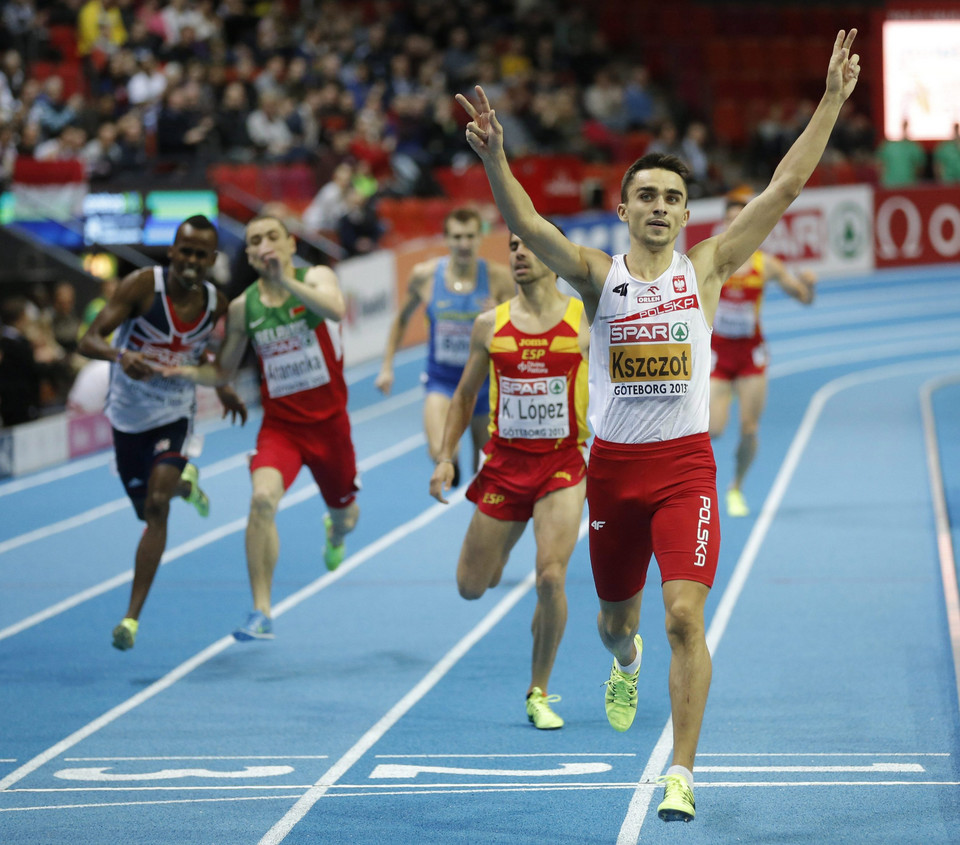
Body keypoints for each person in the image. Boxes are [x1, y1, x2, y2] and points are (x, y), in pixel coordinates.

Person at [456, 29, 860, 823]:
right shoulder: (597, 276)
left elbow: (781, 189)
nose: (662, 208)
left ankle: (681, 768)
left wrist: (832, 102)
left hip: (684, 468)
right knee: (617, 623)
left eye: (674, 198)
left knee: (685, 614)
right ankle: (623, 660)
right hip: (611, 470)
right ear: (625, 206)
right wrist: (496, 161)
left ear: (685, 211)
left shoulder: (706, 267)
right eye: (648, 196)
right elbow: (531, 226)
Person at [165, 214, 360, 642]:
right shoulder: (243, 308)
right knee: (261, 500)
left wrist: (285, 281)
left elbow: (335, 308)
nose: (265, 244)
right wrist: (177, 370)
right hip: (281, 429)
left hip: (330, 427)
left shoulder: (318, 276)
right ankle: (261, 610)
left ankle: (336, 531)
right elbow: (222, 373)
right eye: (256, 240)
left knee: (347, 517)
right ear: (249, 255)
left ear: (291, 245)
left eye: (274, 236)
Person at [429, 229, 590, 730]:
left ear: (556, 257)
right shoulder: (489, 326)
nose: (520, 254)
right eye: (514, 247)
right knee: (472, 587)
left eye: (531, 246)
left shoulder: (585, 319)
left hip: (562, 464)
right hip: (503, 465)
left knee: (550, 576)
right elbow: (462, 397)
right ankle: (504, 568)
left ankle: (538, 689)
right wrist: (445, 458)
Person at [78, 215, 247, 651]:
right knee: (144, 510)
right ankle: (184, 482)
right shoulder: (140, 286)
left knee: (157, 506)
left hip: (175, 413)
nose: (191, 261)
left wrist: (224, 387)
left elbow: (207, 349)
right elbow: (88, 339)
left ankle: (131, 619)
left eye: (200, 255)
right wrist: (120, 356)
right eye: (184, 252)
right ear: (171, 252)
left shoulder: (217, 303)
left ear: (212, 259)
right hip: (127, 419)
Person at [375, 207, 514, 486]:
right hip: (442, 382)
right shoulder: (425, 276)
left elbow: (518, 331)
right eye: (457, 237)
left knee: (488, 472)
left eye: (470, 236)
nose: (464, 244)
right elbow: (401, 320)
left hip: (484, 385)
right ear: (446, 239)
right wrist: (387, 367)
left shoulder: (499, 278)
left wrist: (501, 313)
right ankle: (451, 463)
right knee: (440, 453)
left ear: (480, 238)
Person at [709, 195, 816, 517]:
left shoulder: (765, 264)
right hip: (718, 355)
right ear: (724, 224)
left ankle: (736, 487)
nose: (735, 225)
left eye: (741, 219)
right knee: (713, 428)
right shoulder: (712, 261)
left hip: (750, 357)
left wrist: (809, 286)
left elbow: (804, 298)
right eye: (730, 219)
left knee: (749, 428)